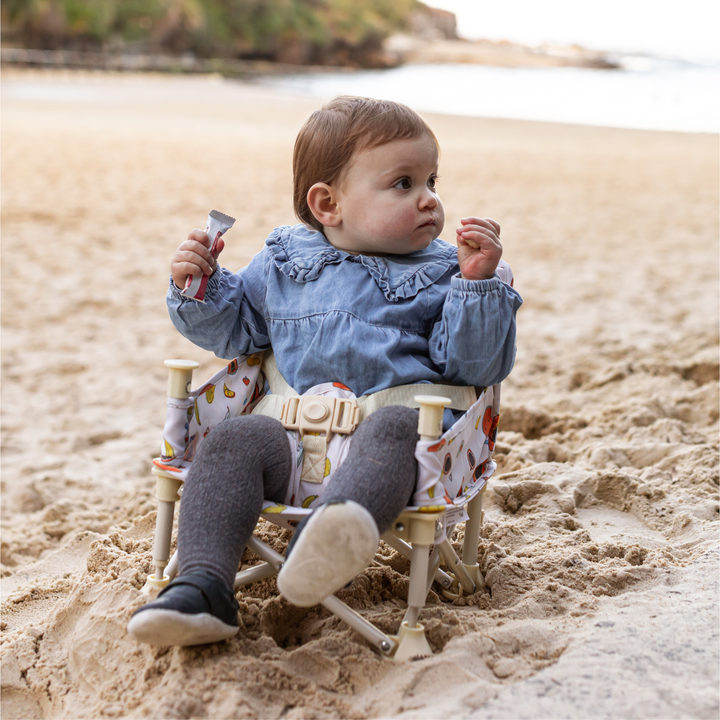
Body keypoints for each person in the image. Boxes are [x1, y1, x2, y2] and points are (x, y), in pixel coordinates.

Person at [128, 95, 522, 647]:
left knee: (397, 431)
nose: (431, 200)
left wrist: (478, 286)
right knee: (235, 438)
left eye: (432, 180)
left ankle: (330, 534)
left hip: (389, 449)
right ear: (327, 204)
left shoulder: (444, 272)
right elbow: (239, 332)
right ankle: (203, 585)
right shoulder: (287, 259)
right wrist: (200, 285)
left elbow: (473, 368)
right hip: (289, 436)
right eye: (404, 184)